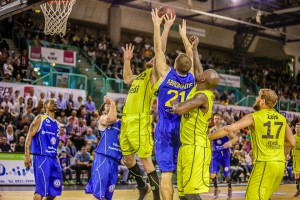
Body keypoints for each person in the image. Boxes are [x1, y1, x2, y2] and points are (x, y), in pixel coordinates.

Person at [120, 11, 174, 200]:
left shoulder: (153, 77)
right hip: (126, 122)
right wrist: (127, 60)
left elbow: (161, 51)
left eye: (155, 60)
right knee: (127, 159)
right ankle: (142, 186)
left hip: (140, 122)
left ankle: (157, 197)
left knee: (146, 161)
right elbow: (127, 78)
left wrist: (163, 28)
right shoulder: (139, 77)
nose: (152, 59)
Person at [209, 88, 296, 200]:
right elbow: (291, 142)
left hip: (265, 164)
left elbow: (228, 129)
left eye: (258, 96)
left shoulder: (254, 116)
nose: (256, 98)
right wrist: (272, 142)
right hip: (279, 166)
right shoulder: (282, 118)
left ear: (263, 101)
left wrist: (208, 137)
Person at [152, 12, 202, 199]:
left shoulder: (166, 73)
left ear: (173, 64)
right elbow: (190, 54)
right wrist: (183, 35)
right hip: (184, 128)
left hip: (165, 126)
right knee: (182, 169)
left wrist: (158, 26)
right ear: (188, 67)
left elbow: (159, 50)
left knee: (166, 172)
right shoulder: (191, 78)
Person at [24, 99, 62, 200]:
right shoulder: (40, 118)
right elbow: (29, 136)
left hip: (53, 159)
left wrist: (57, 158)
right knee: (40, 191)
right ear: (45, 106)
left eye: (56, 102)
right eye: (52, 102)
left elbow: (54, 144)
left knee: (54, 191)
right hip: (41, 157)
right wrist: (27, 155)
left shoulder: (58, 124)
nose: (55, 103)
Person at [85, 96, 121, 200]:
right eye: (107, 105)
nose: (109, 104)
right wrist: (113, 102)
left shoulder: (120, 122)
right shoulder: (103, 118)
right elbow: (112, 118)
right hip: (103, 158)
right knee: (98, 195)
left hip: (115, 160)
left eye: (110, 104)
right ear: (103, 111)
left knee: (107, 196)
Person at [209, 113, 237, 200]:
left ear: (221, 120)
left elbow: (236, 138)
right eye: (215, 119)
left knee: (226, 175)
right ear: (213, 120)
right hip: (215, 153)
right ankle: (216, 189)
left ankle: (229, 188)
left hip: (225, 153)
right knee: (212, 174)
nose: (216, 120)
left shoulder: (226, 129)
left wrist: (229, 143)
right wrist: (211, 148)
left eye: (218, 118)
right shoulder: (211, 130)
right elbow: (210, 140)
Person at [293, 123, 300, 197]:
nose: (297, 129)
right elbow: (288, 147)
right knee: (296, 174)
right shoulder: (292, 137)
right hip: (296, 158)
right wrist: (287, 154)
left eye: (299, 127)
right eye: (296, 127)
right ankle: (298, 190)